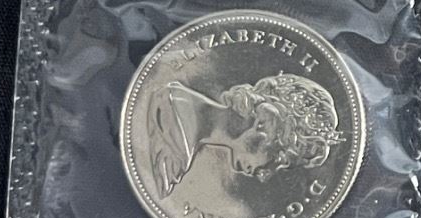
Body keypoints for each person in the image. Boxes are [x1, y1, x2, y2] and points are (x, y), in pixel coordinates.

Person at [146, 68, 344, 196]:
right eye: (280, 159)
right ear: (265, 124)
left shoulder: (180, 150)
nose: (265, 175)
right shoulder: (167, 117)